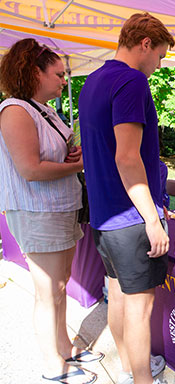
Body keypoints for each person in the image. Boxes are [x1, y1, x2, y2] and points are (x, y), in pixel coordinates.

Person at [78, 12, 174, 384]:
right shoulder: (132, 80)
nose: (158, 65)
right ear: (145, 44)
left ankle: (129, 367)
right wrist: (153, 218)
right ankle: (141, 379)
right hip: (131, 219)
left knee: (117, 296)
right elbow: (127, 156)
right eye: (161, 56)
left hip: (104, 217)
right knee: (139, 307)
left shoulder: (92, 82)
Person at [0, 39, 101, 384]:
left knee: (58, 287)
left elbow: (53, 155)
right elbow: (29, 168)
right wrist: (79, 165)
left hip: (59, 207)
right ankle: (52, 366)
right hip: (36, 211)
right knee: (47, 292)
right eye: (58, 74)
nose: (63, 81)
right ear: (34, 72)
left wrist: (70, 157)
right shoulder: (16, 110)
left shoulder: (44, 109)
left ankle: (65, 349)